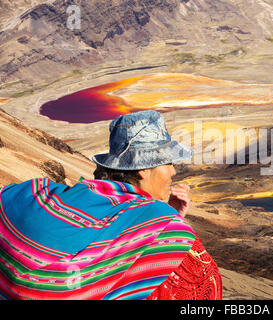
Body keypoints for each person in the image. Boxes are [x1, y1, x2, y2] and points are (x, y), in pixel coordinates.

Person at [0, 110, 222, 300]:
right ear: (143, 169)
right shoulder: (163, 224)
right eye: (168, 163)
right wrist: (169, 220)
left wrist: (167, 214)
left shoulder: (37, 194)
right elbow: (205, 285)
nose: (173, 171)